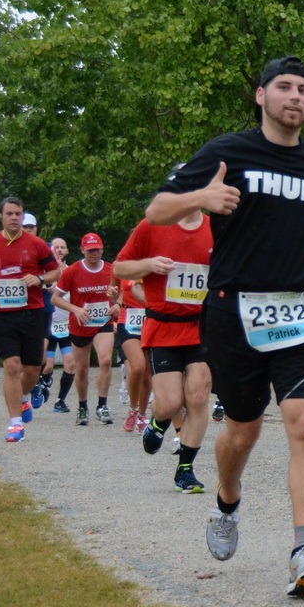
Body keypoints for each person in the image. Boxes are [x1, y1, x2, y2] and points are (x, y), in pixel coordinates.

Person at [145, 55, 304, 596]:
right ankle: (227, 499)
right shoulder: (227, 152)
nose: (295, 96)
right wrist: (201, 198)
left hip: (302, 309)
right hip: (234, 311)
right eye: (284, 87)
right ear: (261, 96)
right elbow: (157, 209)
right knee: (242, 431)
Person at [116, 210, 213, 492]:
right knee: (170, 404)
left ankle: (185, 470)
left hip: (201, 328)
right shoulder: (152, 226)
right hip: (163, 328)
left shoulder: (216, 227)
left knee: (198, 397)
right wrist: (148, 264)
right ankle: (157, 424)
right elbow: (119, 269)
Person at [0, 197, 63, 442]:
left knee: (32, 369)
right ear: (1, 216)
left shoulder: (36, 244)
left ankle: (23, 398)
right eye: (10, 213)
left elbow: (55, 271)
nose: (14, 218)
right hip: (1, 314)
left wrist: (40, 279)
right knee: (12, 365)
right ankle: (15, 424)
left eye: (18, 214)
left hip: (32, 312)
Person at [53, 233, 118, 425]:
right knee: (82, 369)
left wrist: (118, 304)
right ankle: (82, 407)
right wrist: (75, 309)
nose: (94, 254)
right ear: (82, 250)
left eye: (97, 250)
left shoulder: (111, 270)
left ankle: (102, 405)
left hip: (103, 322)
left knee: (106, 360)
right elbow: (55, 298)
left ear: (102, 249)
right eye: (90, 251)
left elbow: (123, 291)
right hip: (81, 324)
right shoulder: (72, 271)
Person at [117, 277, 152, 431]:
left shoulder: (154, 266)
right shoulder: (122, 266)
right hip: (127, 320)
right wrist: (115, 299)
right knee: (138, 366)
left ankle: (142, 415)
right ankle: (133, 410)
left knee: (147, 374)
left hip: (151, 320)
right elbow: (116, 291)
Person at [43, 236, 73, 412]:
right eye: (56, 247)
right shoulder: (44, 273)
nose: (59, 250)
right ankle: (45, 381)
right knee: (47, 366)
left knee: (70, 364)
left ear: (67, 251)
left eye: (63, 247)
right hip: (48, 325)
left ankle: (60, 400)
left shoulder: (72, 272)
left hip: (66, 326)